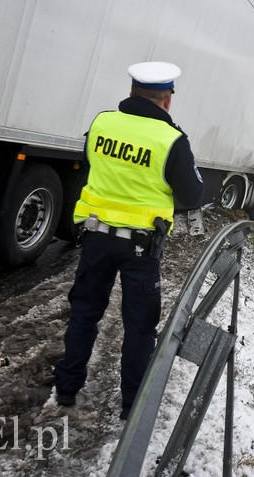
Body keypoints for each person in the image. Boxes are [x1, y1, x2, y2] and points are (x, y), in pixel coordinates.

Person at [55, 61, 203, 420]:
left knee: (84, 313)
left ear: (132, 92)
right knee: (139, 326)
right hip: (140, 248)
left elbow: (92, 163)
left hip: (95, 236)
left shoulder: (102, 123)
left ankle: (67, 389)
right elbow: (194, 195)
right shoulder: (172, 140)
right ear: (167, 100)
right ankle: (131, 406)